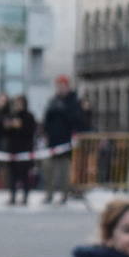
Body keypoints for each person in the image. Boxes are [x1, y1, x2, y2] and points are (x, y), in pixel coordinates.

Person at [42, 75, 87, 205]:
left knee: (64, 171)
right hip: (52, 142)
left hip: (66, 143)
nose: (60, 88)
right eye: (58, 86)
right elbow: (47, 119)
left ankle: (64, 194)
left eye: (62, 86)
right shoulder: (53, 101)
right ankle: (49, 194)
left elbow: (78, 121)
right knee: (48, 168)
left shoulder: (73, 102)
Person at [4, 94, 37, 206]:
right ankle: (12, 196)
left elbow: (31, 132)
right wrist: (9, 126)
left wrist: (21, 126)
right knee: (12, 175)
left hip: (25, 150)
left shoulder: (29, 116)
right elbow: (7, 133)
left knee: (24, 176)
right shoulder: (12, 116)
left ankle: (25, 197)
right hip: (13, 150)